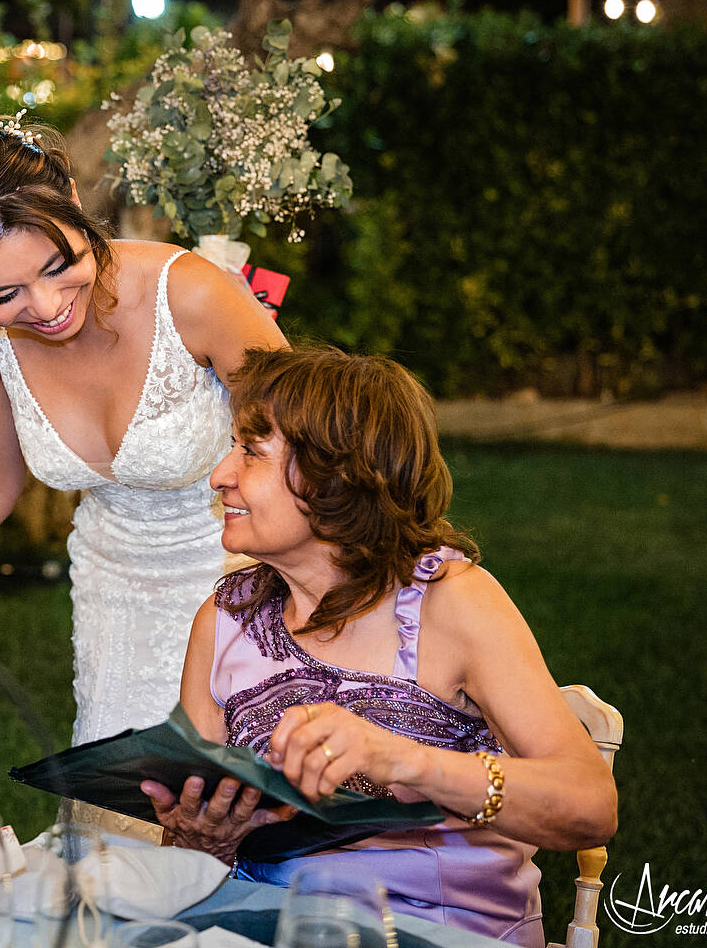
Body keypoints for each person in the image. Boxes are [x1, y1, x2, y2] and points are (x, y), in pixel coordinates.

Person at [139, 347, 617, 947]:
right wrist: (202, 840)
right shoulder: (225, 619)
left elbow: (590, 807)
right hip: (264, 925)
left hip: (439, 930)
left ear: (335, 479)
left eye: (252, 452)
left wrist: (401, 759)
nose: (220, 475)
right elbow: (191, 869)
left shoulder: (450, 604)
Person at [0, 115, 289, 753]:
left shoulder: (191, 294)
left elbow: (309, 446)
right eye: (5, 293)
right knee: (121, 789)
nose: (45, 308)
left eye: (58, 265)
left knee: (238, 789)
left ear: (73, 198)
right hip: (112, 594)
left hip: (249, 576)